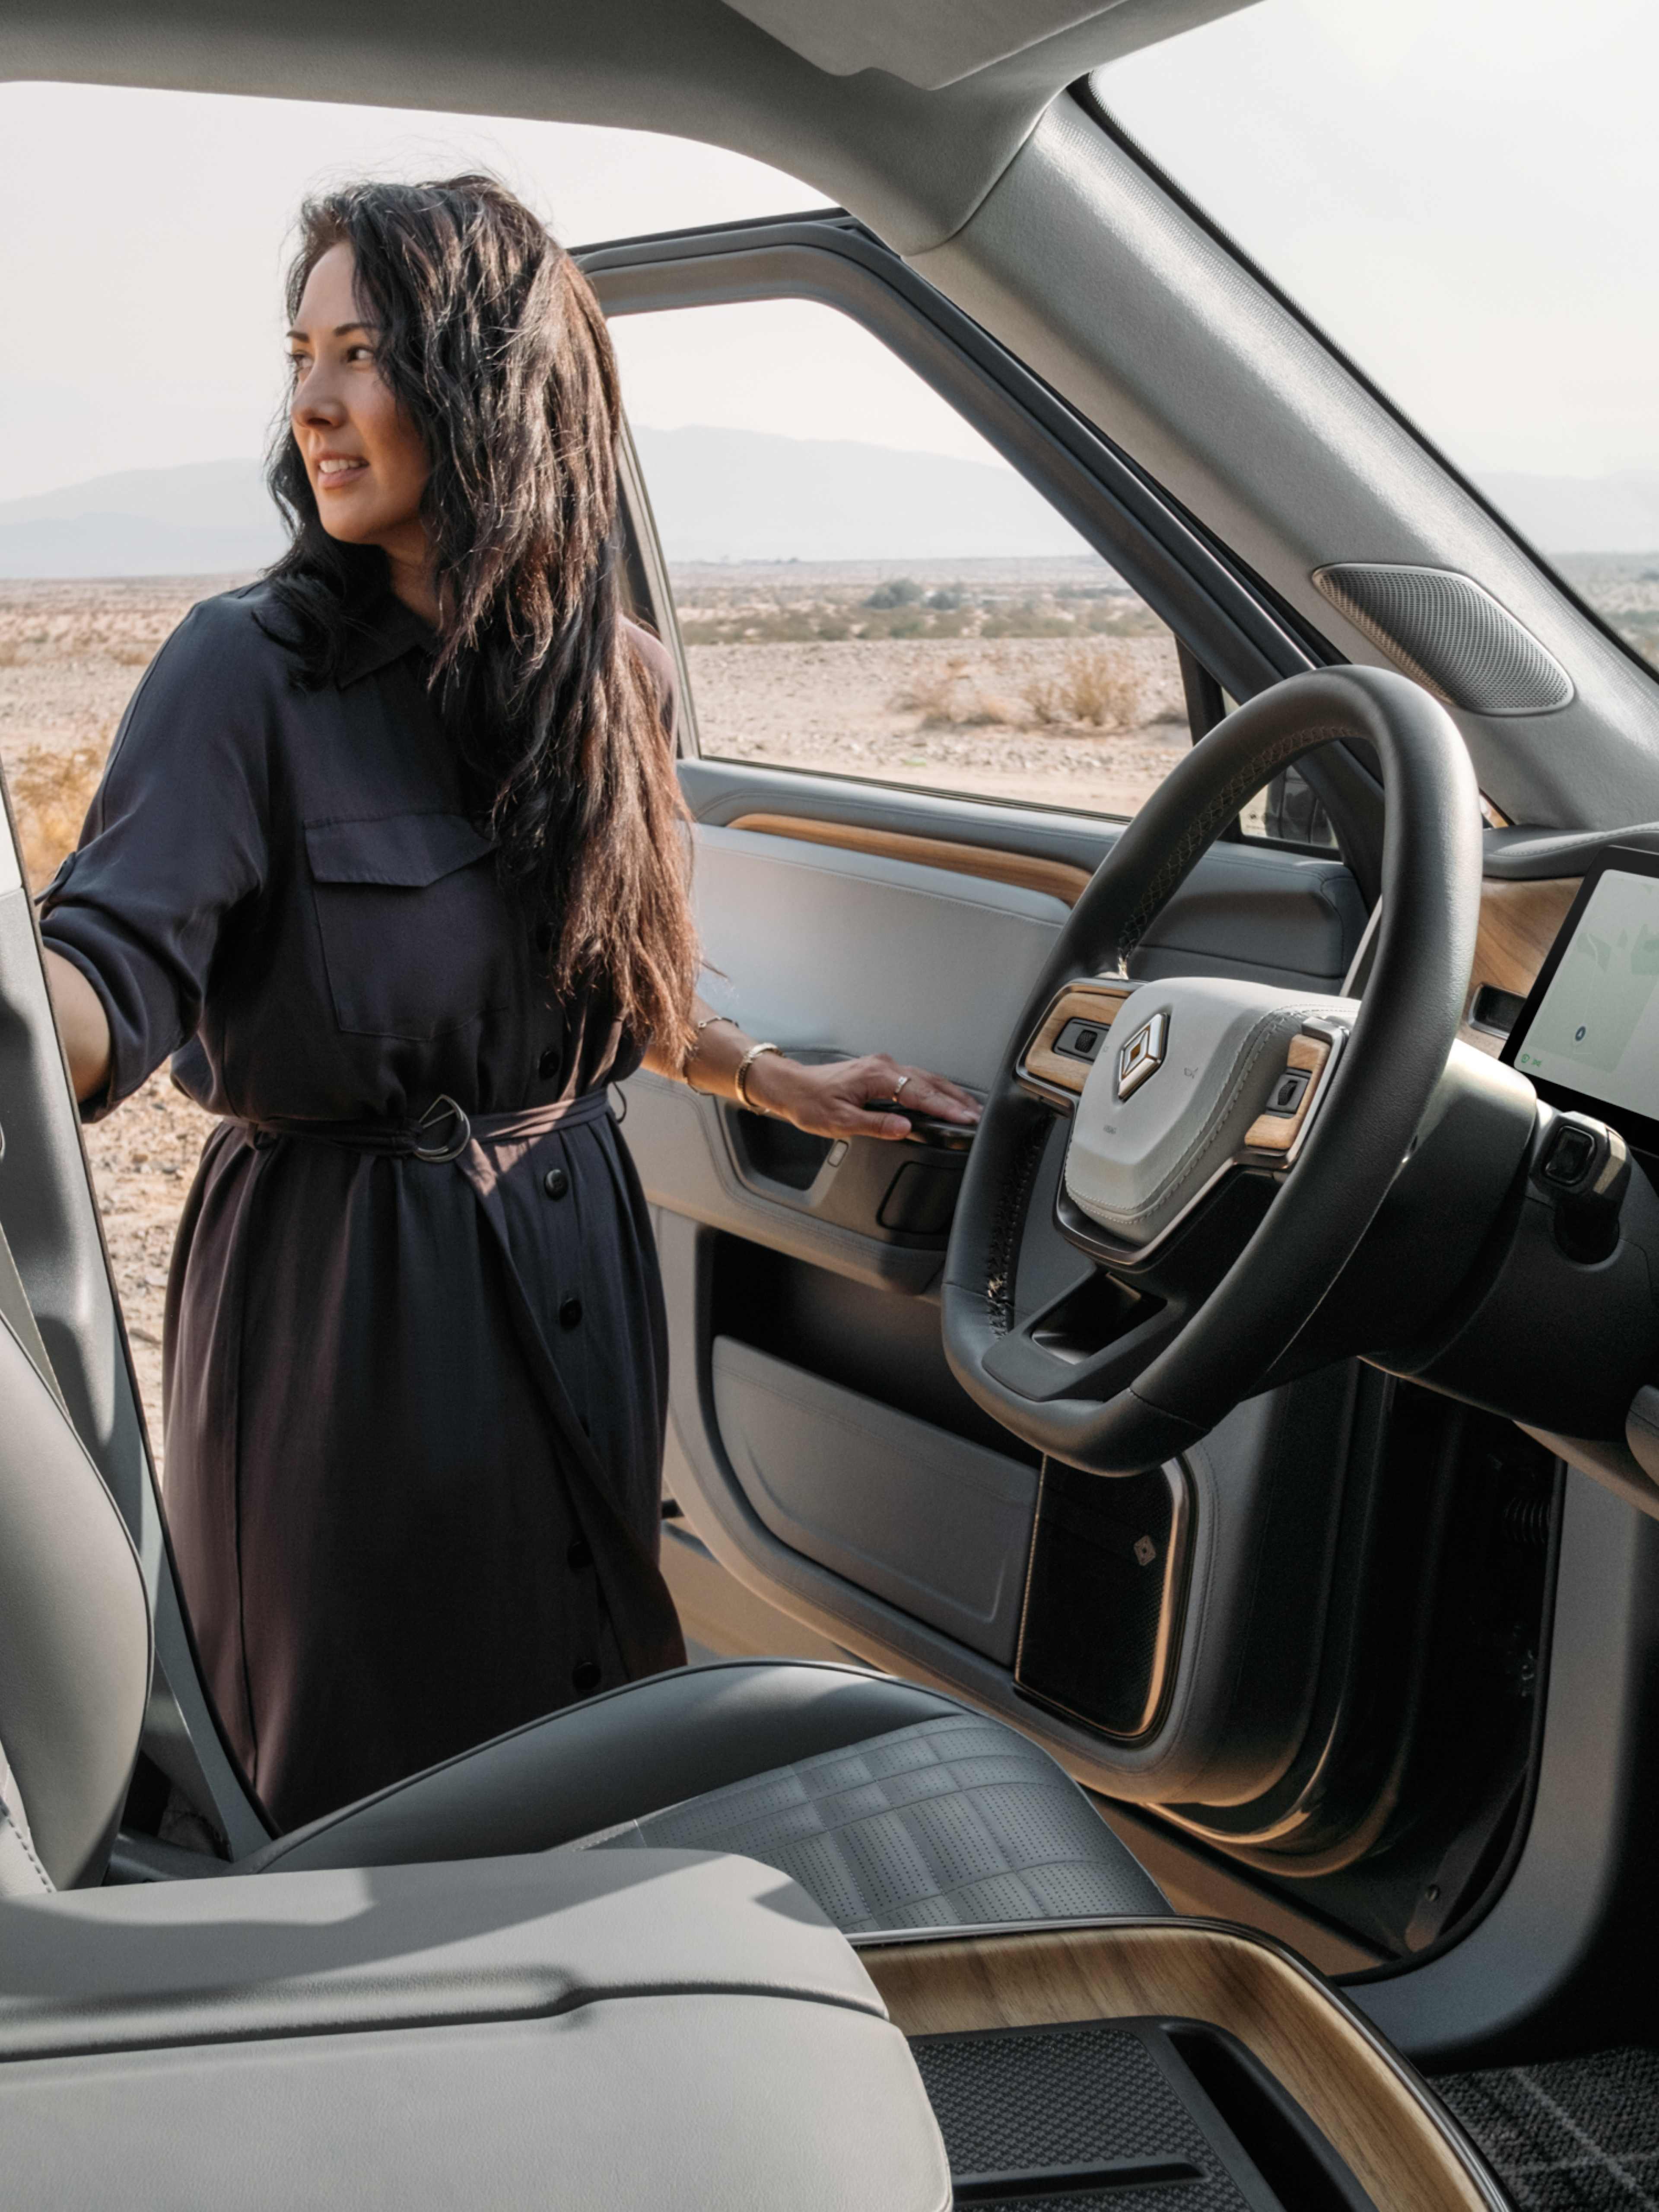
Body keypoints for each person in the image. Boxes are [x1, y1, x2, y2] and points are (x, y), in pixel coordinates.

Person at [39, 175, 979, 1834]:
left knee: (581, 1699)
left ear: (490, 380)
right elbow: (103, 975)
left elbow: (607, 968)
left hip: (575, 1242)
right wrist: (24, 1017)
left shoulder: (615, 679)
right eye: (300, 357)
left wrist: (769, 1076)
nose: (312, 403)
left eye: (363, 354)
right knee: (365, 1763)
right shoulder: (240, 672)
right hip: (347, 1292)